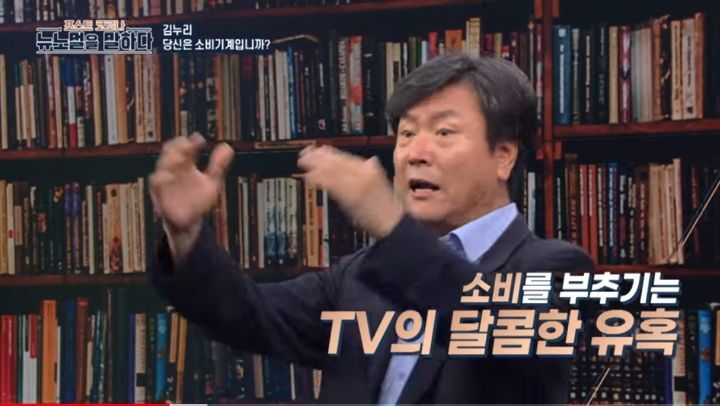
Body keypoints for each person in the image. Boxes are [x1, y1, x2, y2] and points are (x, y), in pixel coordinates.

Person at [149, 52, 594, 404]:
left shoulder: (555, 268)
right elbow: (248, 315)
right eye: (406, 134)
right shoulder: (361, 274)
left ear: (503, 156)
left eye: (444, 133)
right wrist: (185, 234)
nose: (415, 153)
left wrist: (389, 223)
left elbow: (488, 325)